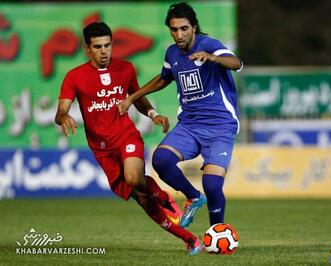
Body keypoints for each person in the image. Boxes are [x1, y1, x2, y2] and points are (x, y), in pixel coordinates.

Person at [54, 21, 203, 255]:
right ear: (87, 49)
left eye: (108, 45)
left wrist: (153, 114)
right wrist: (63, 117)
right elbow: (61, 110)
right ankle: (190, 239)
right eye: (98, 47)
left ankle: (164, 197)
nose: (104, 51)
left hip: (126, 136)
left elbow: (137, 98)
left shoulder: (125, 69)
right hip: (102, 150)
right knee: (143, 200)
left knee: (134, 178)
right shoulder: (75, 77)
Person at [118, 2, 243, 228]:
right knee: (161, 160)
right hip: (190, 125)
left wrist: (214, 58)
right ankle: (193, 196)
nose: (179, 34)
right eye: (174, 30)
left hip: (220, 125)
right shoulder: (172, 53)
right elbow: (165, 77)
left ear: (194, 27)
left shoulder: (210, 45)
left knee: (213, 185)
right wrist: (133, 96)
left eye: (184, 28)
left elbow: (236, 63)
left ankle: (217, 232)